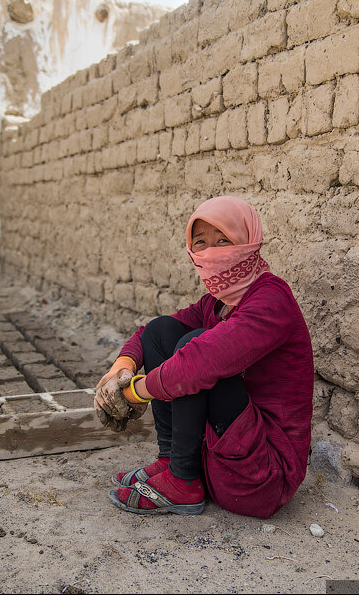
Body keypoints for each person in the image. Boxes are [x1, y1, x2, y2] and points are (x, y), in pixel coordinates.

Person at [93, 195, 314, 519]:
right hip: (224, 455)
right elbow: (149, 335)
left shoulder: (270, 299)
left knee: (195, 348)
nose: (212, 253)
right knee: (163, 330)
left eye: (224, 241)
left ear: (248, 242)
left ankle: (183, 481)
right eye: (201, 243)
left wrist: (133, 393)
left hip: (260, 477)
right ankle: (173, 463)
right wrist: (121, 369)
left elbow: (198, 362)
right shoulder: (218, 303)